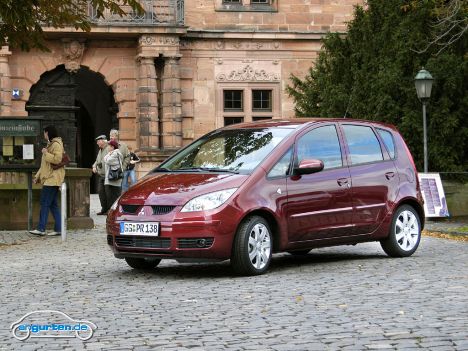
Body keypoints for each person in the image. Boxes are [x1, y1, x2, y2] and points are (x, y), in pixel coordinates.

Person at [29, 125, 66, 236]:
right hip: (50, 178)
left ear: (48, 133)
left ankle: (41, 228)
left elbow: (57, 159)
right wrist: (37, 176)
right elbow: (44, 165)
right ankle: (59, 229)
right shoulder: (50, 144)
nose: (44, 135)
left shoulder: (56, 144)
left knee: (44, 203)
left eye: (45, 133)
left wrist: (46, 153)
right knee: (53, 204)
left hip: (52, 179)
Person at [103, 139, 123, 211]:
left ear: (113, 147)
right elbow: (105, 159)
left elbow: (107, 160)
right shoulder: (112, 153)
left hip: (114, 180)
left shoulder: (115, 153)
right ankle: (112, 211)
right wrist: (108, 155)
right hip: (111, 180)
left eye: (109, 146)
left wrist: (108, 155)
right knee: (111, 198)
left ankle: (114, 212)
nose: (108, 147)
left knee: (113, 198)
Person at [92, 135, 109, 215]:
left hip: (108, 175)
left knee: (108, 193)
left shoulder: (109, 148)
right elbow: (97, 160)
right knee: (101, 192)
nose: (97, 142)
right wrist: (94, 165)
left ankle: (109, 210)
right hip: (101, 175)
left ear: (103, 141)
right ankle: (104, 209)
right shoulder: (100, 150)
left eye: (98, 141)